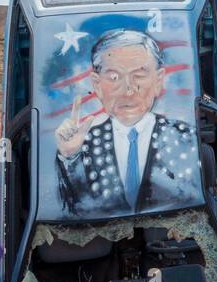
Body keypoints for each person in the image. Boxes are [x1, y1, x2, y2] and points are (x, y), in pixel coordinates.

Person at [54, 29, 199, 217]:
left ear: (158, 80)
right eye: (114, 77)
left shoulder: (185, 138)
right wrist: (70, 157)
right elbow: (72, 210)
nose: (128, 90)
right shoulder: (83, 146)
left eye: (139, 75)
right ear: (97, 84)